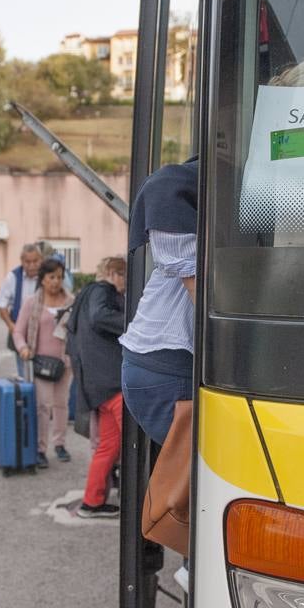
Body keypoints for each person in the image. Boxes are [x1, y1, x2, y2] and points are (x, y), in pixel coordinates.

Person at [120, 158, 199, 443]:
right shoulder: (186, 180)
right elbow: (204, 300)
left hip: (158, 365)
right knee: (190, 477)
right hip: (167, 370)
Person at [67, 256, 127, 517]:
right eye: (126, 276)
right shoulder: (102, 290)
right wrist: (135, 324)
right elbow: (101, 317)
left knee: (109, 447)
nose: (127, 284)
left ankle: (91, 502)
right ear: (114, 273)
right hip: (112, 382)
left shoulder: (83, 296)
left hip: (96, 384)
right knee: (136, 444)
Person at [13, 257, 76, 467]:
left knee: (61, 405)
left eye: (59, 277)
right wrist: (23, 348)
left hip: (65, 362)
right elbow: (18, 331)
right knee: (42, 407)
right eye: (51, 277)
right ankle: (41, 449)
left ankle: (60, 444)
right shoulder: (32, 302)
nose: (56, 281)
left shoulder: (71, 301)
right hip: (41, 364)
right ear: (42, 279)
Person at [0, 243, 43, 356]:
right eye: (28, 262)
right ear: (22, 261)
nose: (32, 265)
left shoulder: (46, 276)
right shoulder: (12, 277)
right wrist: (12, 327)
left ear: (41, 260)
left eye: (35, 261)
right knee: (23, 369)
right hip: (19, 327)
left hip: (42, 330)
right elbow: (2, 306)